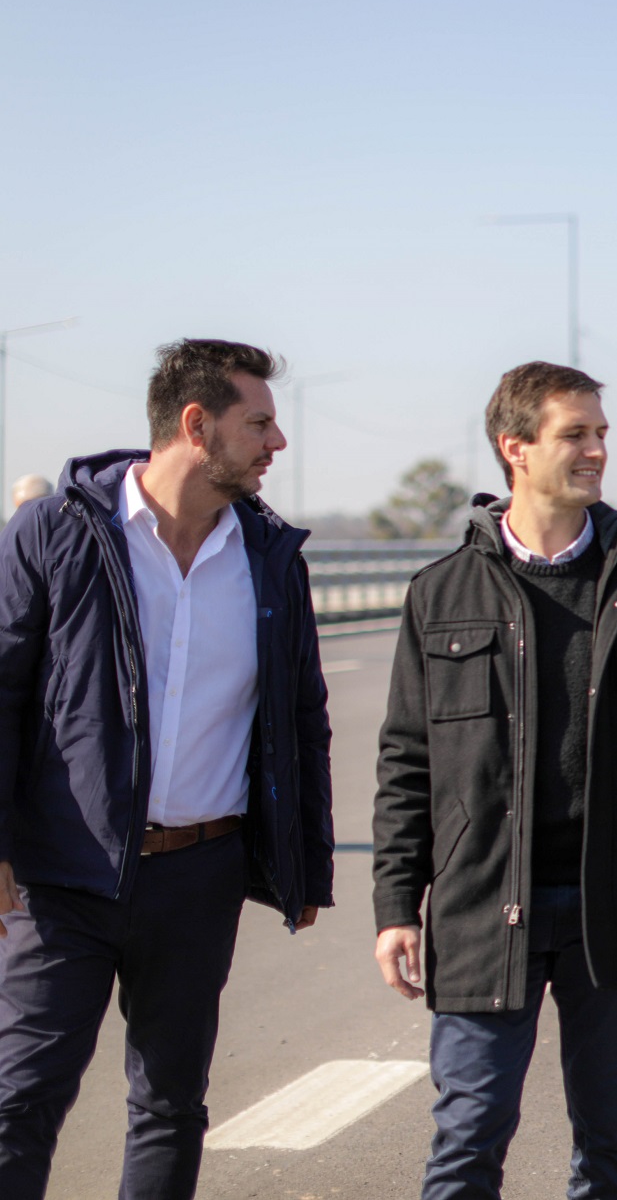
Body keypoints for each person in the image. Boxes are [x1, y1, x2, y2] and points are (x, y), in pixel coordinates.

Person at [371, 362, 617, 1199]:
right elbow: (405, 764)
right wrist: (397, 904)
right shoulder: (441, 593)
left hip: (615, 903)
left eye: (601, 433)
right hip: (480, 905)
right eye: (576, 434)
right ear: (516, 449)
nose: (597, 450)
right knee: (466, 1141)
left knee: (610, 1147)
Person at [0, 340, 333, 1199]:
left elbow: (301, 716)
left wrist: (309, 859)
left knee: (171, 1104)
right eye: (257, 422)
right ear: (197, 425)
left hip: (198, 875)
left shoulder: (270, 559)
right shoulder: (58, 531)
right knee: (19, 1099)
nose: (277, 442)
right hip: (63, 875)